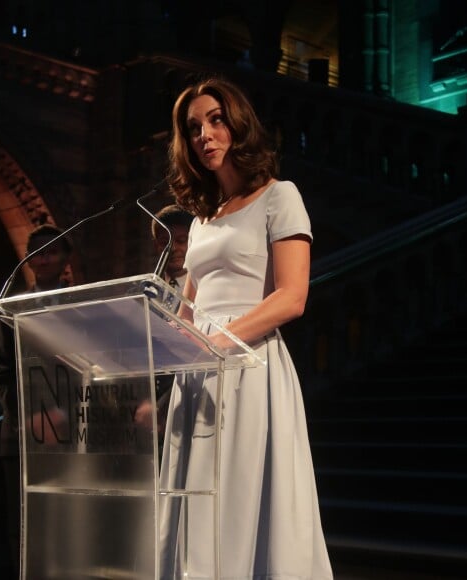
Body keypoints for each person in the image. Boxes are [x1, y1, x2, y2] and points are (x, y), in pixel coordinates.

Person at [159, 77, 333, 578]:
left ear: (238, 124)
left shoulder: (281, 197)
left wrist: (218, 341)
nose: (204, 135)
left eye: (215, 120)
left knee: (243, 496)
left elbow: (293, 296)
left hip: (249, 365)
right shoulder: (201, 220)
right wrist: (166, 344)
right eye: (193, 128)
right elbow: (187, 307)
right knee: (196, 501)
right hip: (198, 372)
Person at [0, 224, 73, 579]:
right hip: (23, 435)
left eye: (52, 250)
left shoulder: (83, 301)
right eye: (37, 252)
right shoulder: (12, 308)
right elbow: (1, 369)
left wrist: (66, 416)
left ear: (65, 258)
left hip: (71, 434)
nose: (44, 257)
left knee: (67, 522)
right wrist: (26, 419)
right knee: (22, 526)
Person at [134, 204, 193, 444]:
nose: (174, 249)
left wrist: (163, 405)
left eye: (181, 240)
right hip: (148, 413)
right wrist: (145, 400)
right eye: (164, 242)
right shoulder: (148, 292)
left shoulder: (206, 290)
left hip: (190, 400)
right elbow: (137, 353)